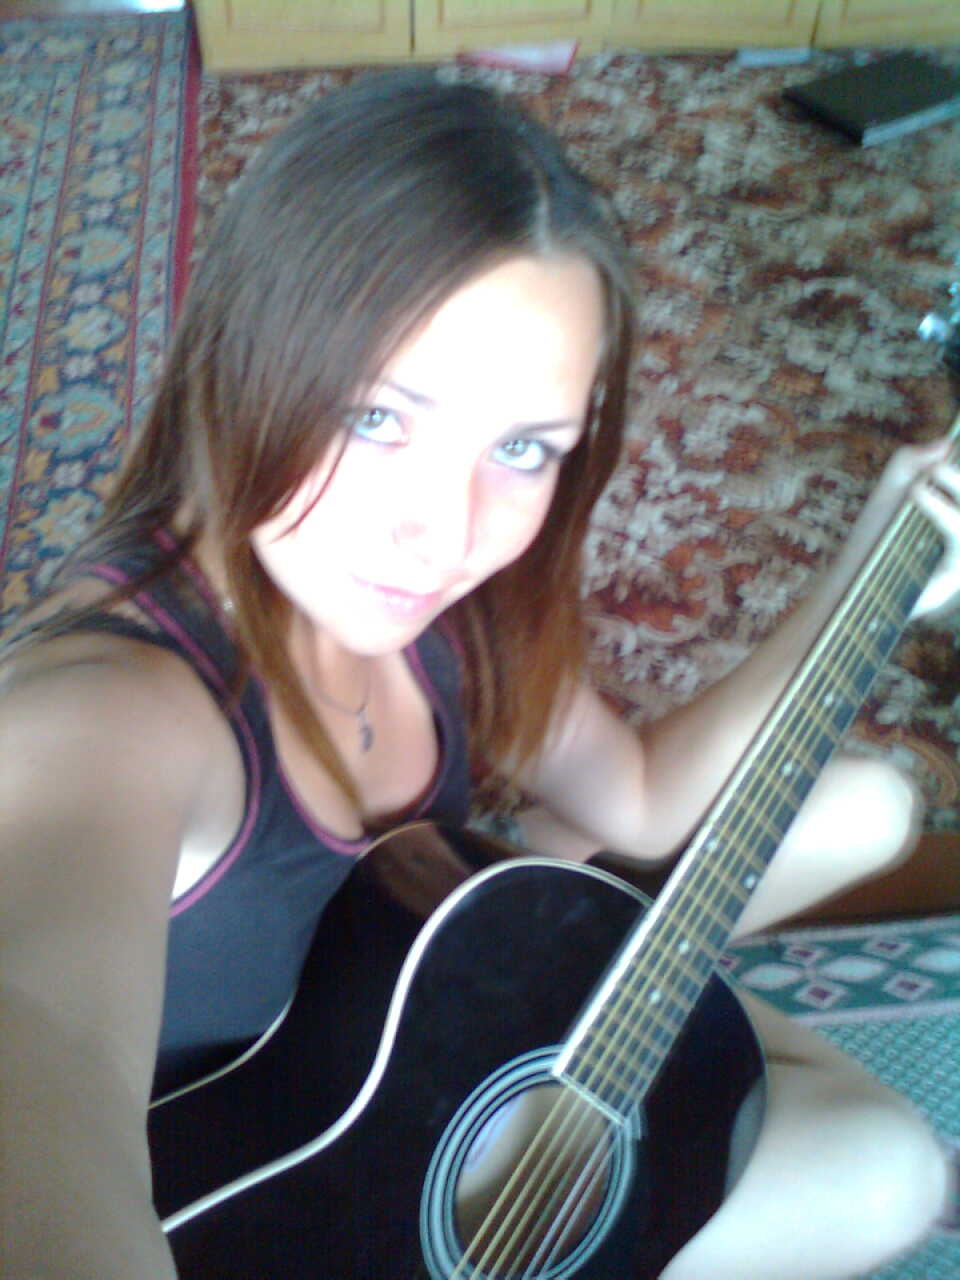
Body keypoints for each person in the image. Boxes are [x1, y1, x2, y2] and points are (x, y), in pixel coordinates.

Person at [1, 69, 957, 1280]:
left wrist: (873, 562)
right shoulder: (105, 711)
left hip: (417, 1039)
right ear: (244, 357)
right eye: (375, 418)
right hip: (283, 1201)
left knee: (872, 811)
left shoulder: (452, 621)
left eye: (522, 448)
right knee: (883, 1166)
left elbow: (640, 797)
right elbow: (36, 1061)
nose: (445, 534)